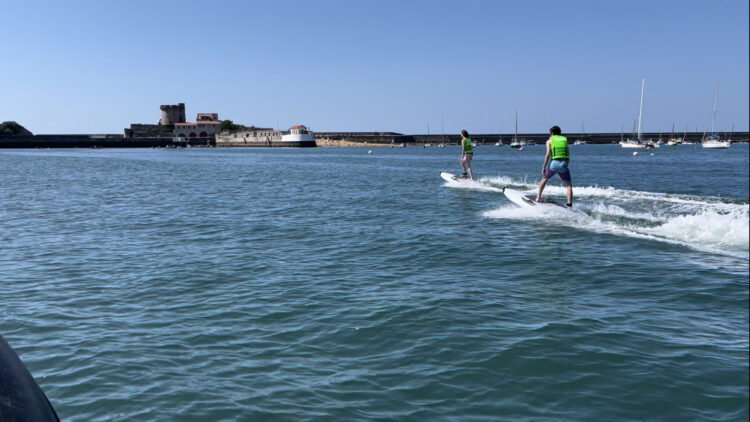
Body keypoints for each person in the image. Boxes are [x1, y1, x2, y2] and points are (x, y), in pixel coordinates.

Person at [536, 125, 572, 207]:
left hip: (554, 164)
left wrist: (544, 167)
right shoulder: (565, 140)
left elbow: (547, 155)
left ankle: (538, 198)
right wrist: (564, 166)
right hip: (564, 164)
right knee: (568, 185)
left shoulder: (549, 141)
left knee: (544, 179)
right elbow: (568, 154)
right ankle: (569, 204)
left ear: (552, 133)